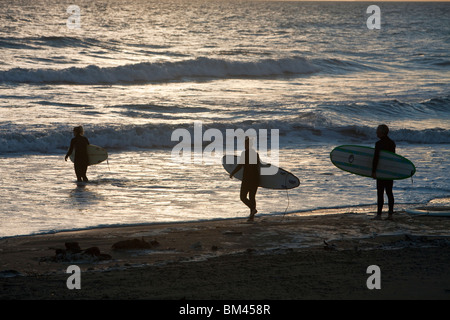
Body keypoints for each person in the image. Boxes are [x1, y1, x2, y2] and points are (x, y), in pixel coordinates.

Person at [230, 137, 261, 222]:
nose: (245, 145)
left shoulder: (245, 153)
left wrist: (233, 172)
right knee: (252, 197)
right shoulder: (256, 154)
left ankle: (252, 210)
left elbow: (240, 165)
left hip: (248, 179)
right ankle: (252, 217)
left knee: (243, 197)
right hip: (255, 178)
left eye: (246, 144)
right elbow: (258, 166)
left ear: (249, 145)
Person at [371, 124, 396, 220]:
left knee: (380, 192)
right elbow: (393, 159)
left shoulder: (379, 144)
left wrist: (373, 171)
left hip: (381, 171)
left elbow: (376, 159)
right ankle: (390, 215)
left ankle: (379, 215)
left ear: (382, 132)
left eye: (377, 131)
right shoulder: (392, 143)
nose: (376, 132)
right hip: (389, 171)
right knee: (389, 192)